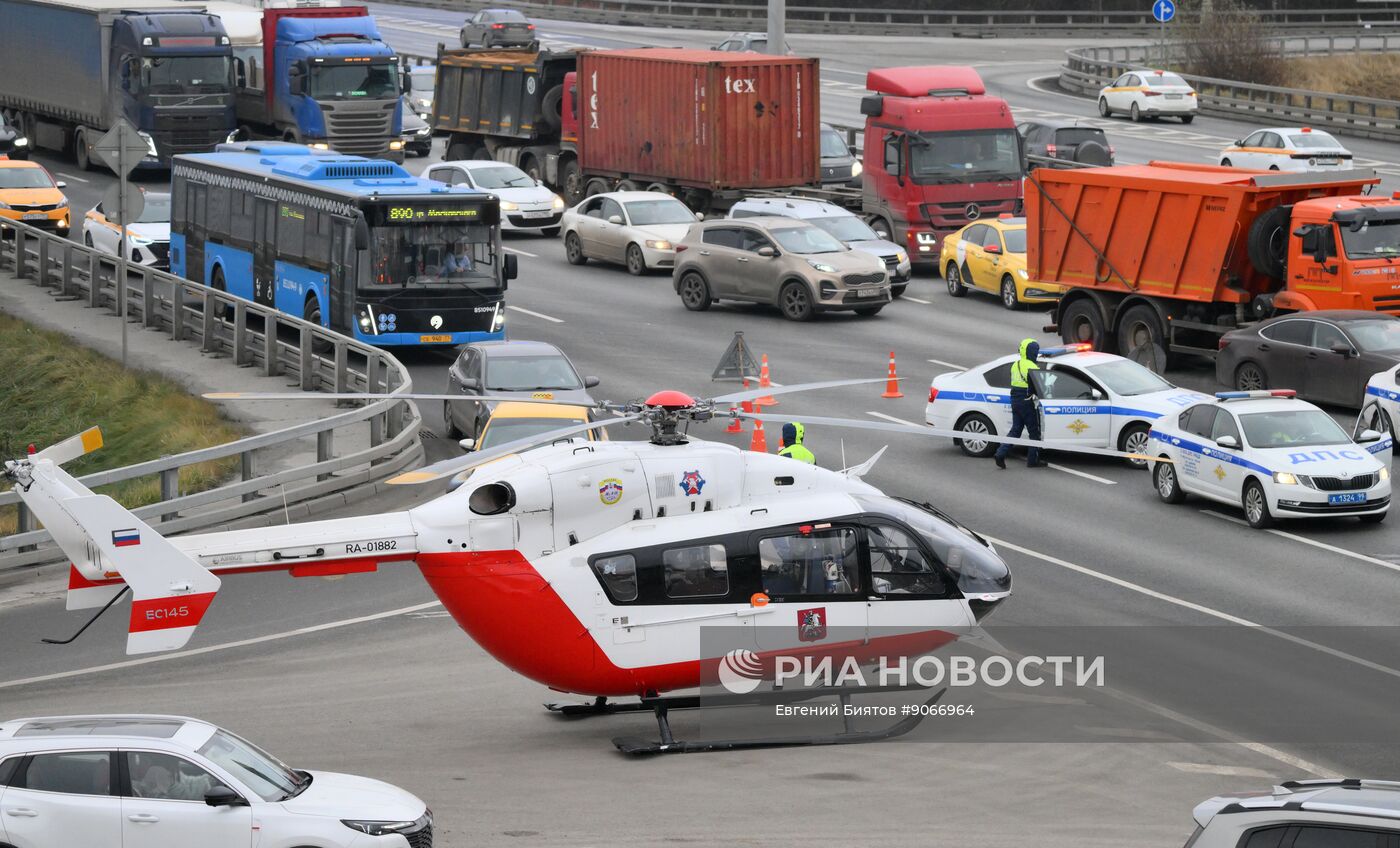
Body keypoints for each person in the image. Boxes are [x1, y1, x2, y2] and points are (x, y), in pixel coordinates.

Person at [994, 338, 1047, 469]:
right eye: (1035, 351)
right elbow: (1037, 387)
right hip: (1027, 401)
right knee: (1034, 432)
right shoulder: (1032, 367)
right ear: (1030, 352)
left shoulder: (1015, 364)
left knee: (1016, 430)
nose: (1036, 354)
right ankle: (1032, 461)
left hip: (1015, 399)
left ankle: (1000, 453)